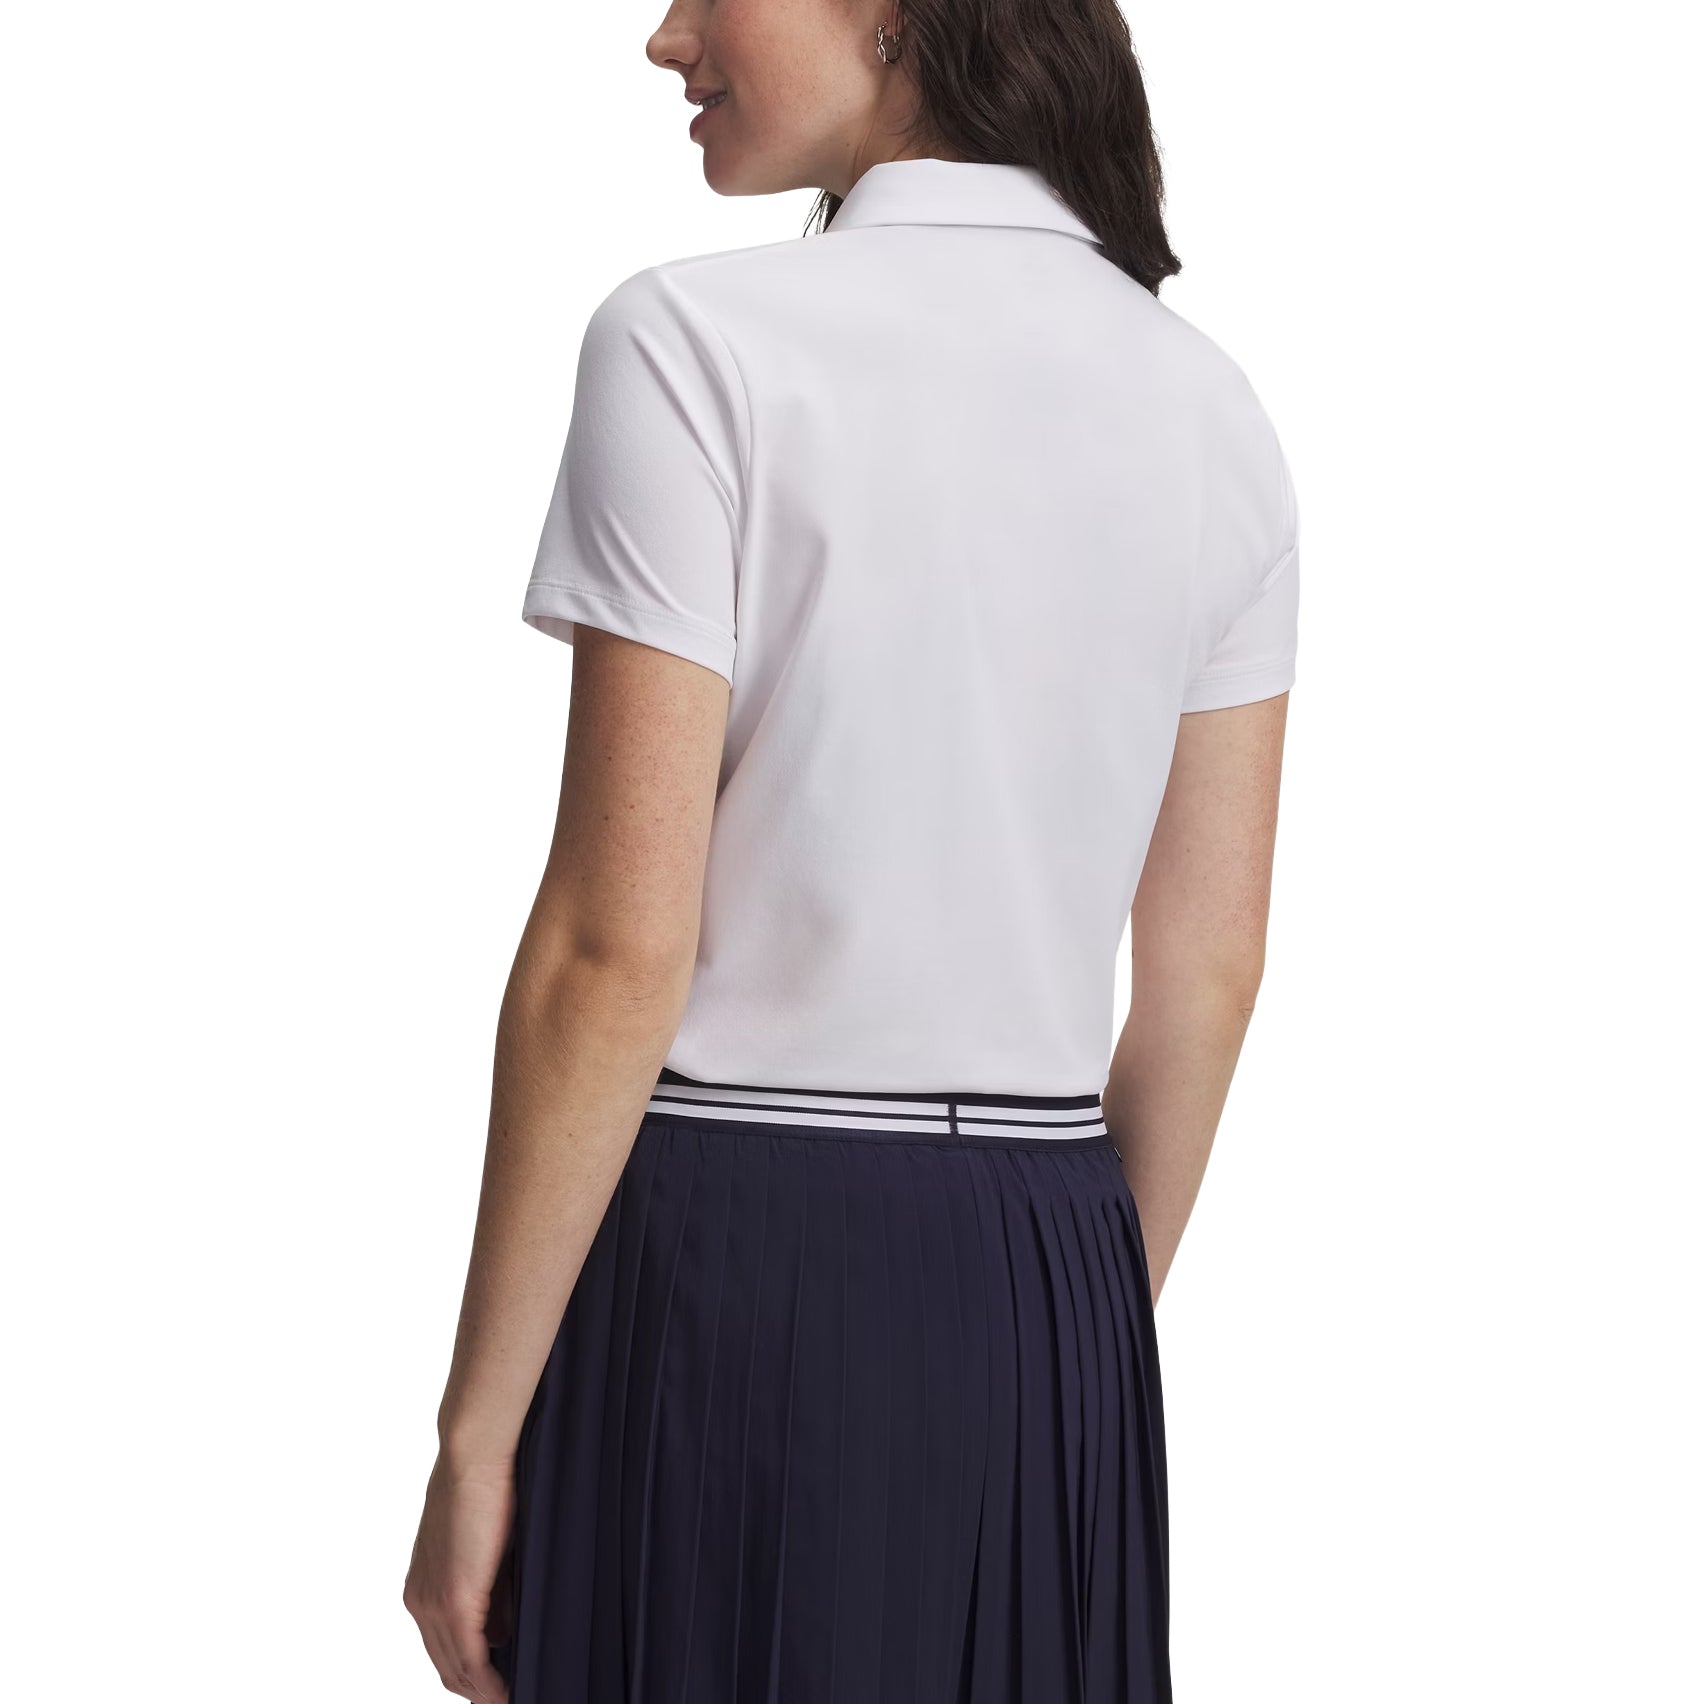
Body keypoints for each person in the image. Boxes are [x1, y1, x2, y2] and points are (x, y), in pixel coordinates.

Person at [403, 0, 1299, 1697]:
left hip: (727, 1253)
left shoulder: (695, 346)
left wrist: (477, 1434)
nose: (666, 38)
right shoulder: (1213, 408)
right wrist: (1067, 1353)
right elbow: (1208, 977)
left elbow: (612, 952)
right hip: (1053, 1265)